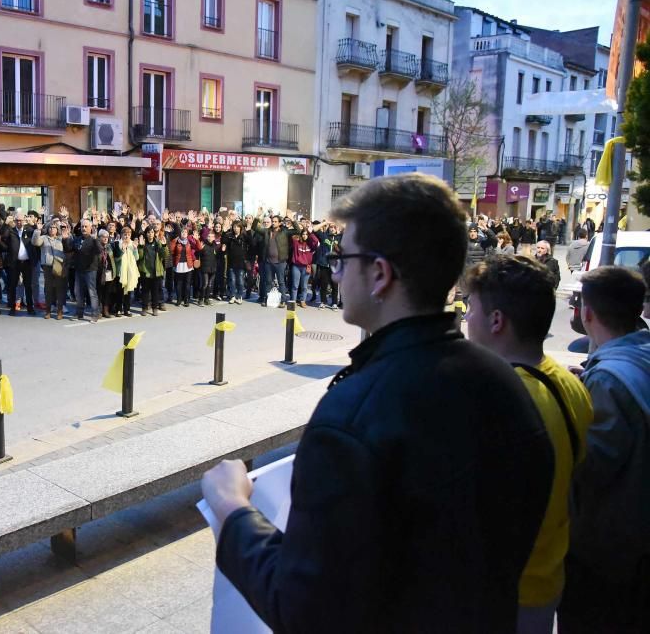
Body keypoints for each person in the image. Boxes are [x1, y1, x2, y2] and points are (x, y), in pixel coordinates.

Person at [201, 173, 553, 633]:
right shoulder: (504, 382)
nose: (336, 271)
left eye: (343, 258)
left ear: (380, 274)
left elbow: (303, 607)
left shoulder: (352, 418)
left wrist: (232, 511)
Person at [463, 255, 593, 634]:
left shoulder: (500, 402)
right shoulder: (568, 383)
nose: (465, 318)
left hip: (502, 595)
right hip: (546, 581)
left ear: (496, 320)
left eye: (470, 308)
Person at [558, 266, 650, 634]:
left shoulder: (608, 380)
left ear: (587, 313)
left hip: (609, 559)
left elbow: (586, 469)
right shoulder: (638, 356)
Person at [32, 219, 72, 320]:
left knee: (59, 289)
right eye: (50, 227)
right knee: (48, 290)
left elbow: (69, 245)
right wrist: (37, 230)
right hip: (48, 266)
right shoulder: (44, 238)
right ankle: (48, 311)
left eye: (54, 227)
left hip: (59, 266)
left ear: (57, 229)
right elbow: (35, 242)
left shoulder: (60, 238)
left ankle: (59, 311)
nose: (52, 229)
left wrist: (66, 235)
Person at [3, 212, 37, 316]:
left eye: (21, 220)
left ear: (24, 220)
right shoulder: (11, 231)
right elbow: (3, 238)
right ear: (14, 221)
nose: (19, 222)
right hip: (15, 262)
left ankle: (30, 308)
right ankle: (12, 308)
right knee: (13, 286)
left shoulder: (30, 231)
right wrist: (5, 224)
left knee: (28, 286)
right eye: (17, 220)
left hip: (27, 262)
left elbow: (38, 234)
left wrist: (35, 224)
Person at [255, 214, 290, 308]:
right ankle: (267, 299)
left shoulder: (284, 232)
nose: (273, 223)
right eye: (273, 221)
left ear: (279, 223)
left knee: (281, 282)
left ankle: (283, 301)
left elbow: (298, 231)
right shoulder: (267, 231)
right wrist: (258, 216)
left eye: (275, 222)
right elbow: (255, 227)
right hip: (268, 262)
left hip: (280, 262)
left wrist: (292, 219)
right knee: (268, 282)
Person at [74, 219, 102, 322]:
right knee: (79, 292)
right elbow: (70, 248)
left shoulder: (94, 239)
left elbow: (99, 250)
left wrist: (95, 240)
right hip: (79, 270)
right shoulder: (77, 239)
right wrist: (64, 239)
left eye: (86, 226)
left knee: (92, 293)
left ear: (91, 228)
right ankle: (79, 313)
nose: (84, 228)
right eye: (82, 227)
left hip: (90, 270)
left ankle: (95, 314)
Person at [137, 228, 167, 316]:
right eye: (149, 232)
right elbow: (140, 256)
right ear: (146, 234)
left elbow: (164, 255)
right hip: (145, 271)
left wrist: (164, 246)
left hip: (156, 271)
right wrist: (141, 246)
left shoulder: (158, 243)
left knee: (155, 291)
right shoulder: (143, 243)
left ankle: (154, 308)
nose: (150, 234)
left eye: (152, 232)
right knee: (145, 291)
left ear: (154, 234)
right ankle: (144, 308)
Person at [288, 225, 317, 307]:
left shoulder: (311, 244)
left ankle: (302, 300)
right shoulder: (296, 242)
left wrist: (311, 233)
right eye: (303, 234)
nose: (305, 236)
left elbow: (317, 242)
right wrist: (302, 227)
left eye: (306, 234)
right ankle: (293, 300)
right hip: (296, 266)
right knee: (295, 285)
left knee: (304, 286)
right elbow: (293, 235)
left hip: (306, 267)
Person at [221, 221, 249, 304]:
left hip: (241, 262)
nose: (235, 228)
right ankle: (232, 296)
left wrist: (249, 230)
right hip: (231, 262)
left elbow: (251, 242)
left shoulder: (244, 237)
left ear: (240, 228)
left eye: (237, 227)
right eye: (234, 227)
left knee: (240, 281)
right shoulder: (230, 236)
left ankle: (239, 296)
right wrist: (225, 231)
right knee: (232, 280)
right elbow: (224, 241)